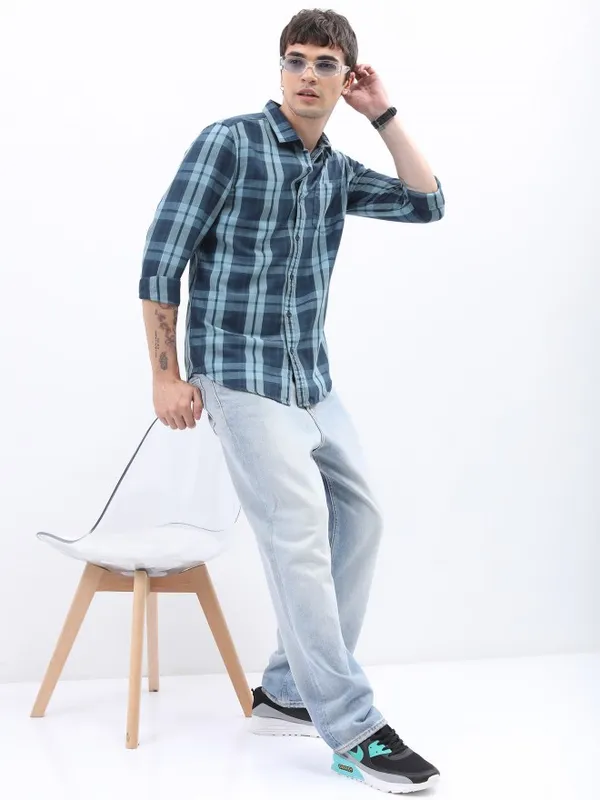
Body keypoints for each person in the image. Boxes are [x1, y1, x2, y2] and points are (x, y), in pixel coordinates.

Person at [139, 8, 445, 794]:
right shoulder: (230, 143)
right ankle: (354, 728)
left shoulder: (335, 169)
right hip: (239, 378)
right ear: (280, 69)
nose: (308, 75)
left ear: (347, 78)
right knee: (300, 537)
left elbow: (427, 203)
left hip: (311, 379)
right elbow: (161, 259)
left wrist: (383, 115)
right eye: (296, 60)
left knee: (361, 519)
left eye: (326, 64)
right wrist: (166, 375)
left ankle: (285, 690)